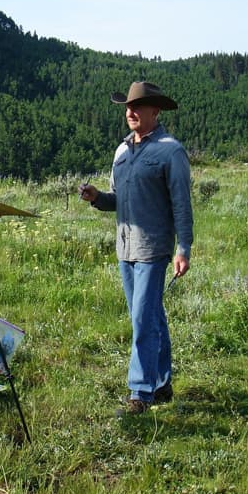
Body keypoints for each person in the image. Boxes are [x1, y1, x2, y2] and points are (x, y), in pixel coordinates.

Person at [79, 81, 193, 415]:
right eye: (127, 107)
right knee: (149, 315)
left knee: (143, 320)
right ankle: (162, 383)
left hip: (154, 249)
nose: (130, 112)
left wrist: (183, 248)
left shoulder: (171, 151)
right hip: (125, 249)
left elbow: (182, 206)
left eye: (137, 107)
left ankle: (140, 394)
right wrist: (98, 198)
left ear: (155, 111)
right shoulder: (121, 152)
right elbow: (119, 200)